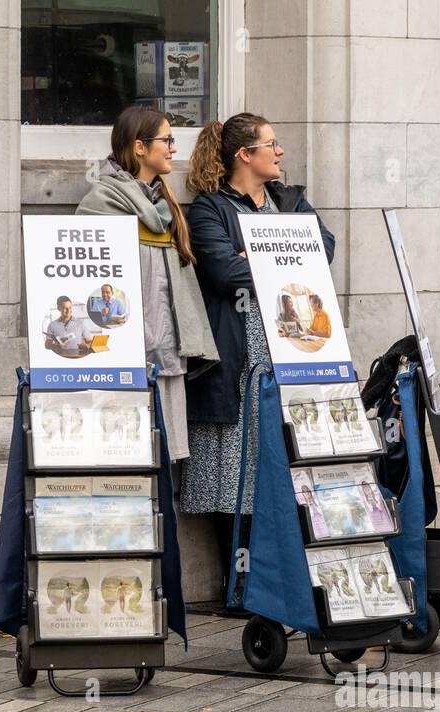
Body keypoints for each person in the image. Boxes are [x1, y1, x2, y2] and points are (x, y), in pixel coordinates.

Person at [179, 111, 336, 587]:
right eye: (272, 144)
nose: (280, 152)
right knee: (235, 469)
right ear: (245, 155)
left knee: (285, 460)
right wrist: (284, 260)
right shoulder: (209, 209)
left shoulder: (289, 201)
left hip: (291, 352)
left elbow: (322, 252)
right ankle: (241, 585)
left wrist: (259, 256)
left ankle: (284, 576)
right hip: (238, 358)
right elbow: (225, 273)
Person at [76, 105, 219, 462]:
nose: (173, 147)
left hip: (166, 353)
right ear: (140, 147)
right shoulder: (102, 201)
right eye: (167, 139)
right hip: (124, 355)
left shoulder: (163, 202)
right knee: (125, 456)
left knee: (163, 459)